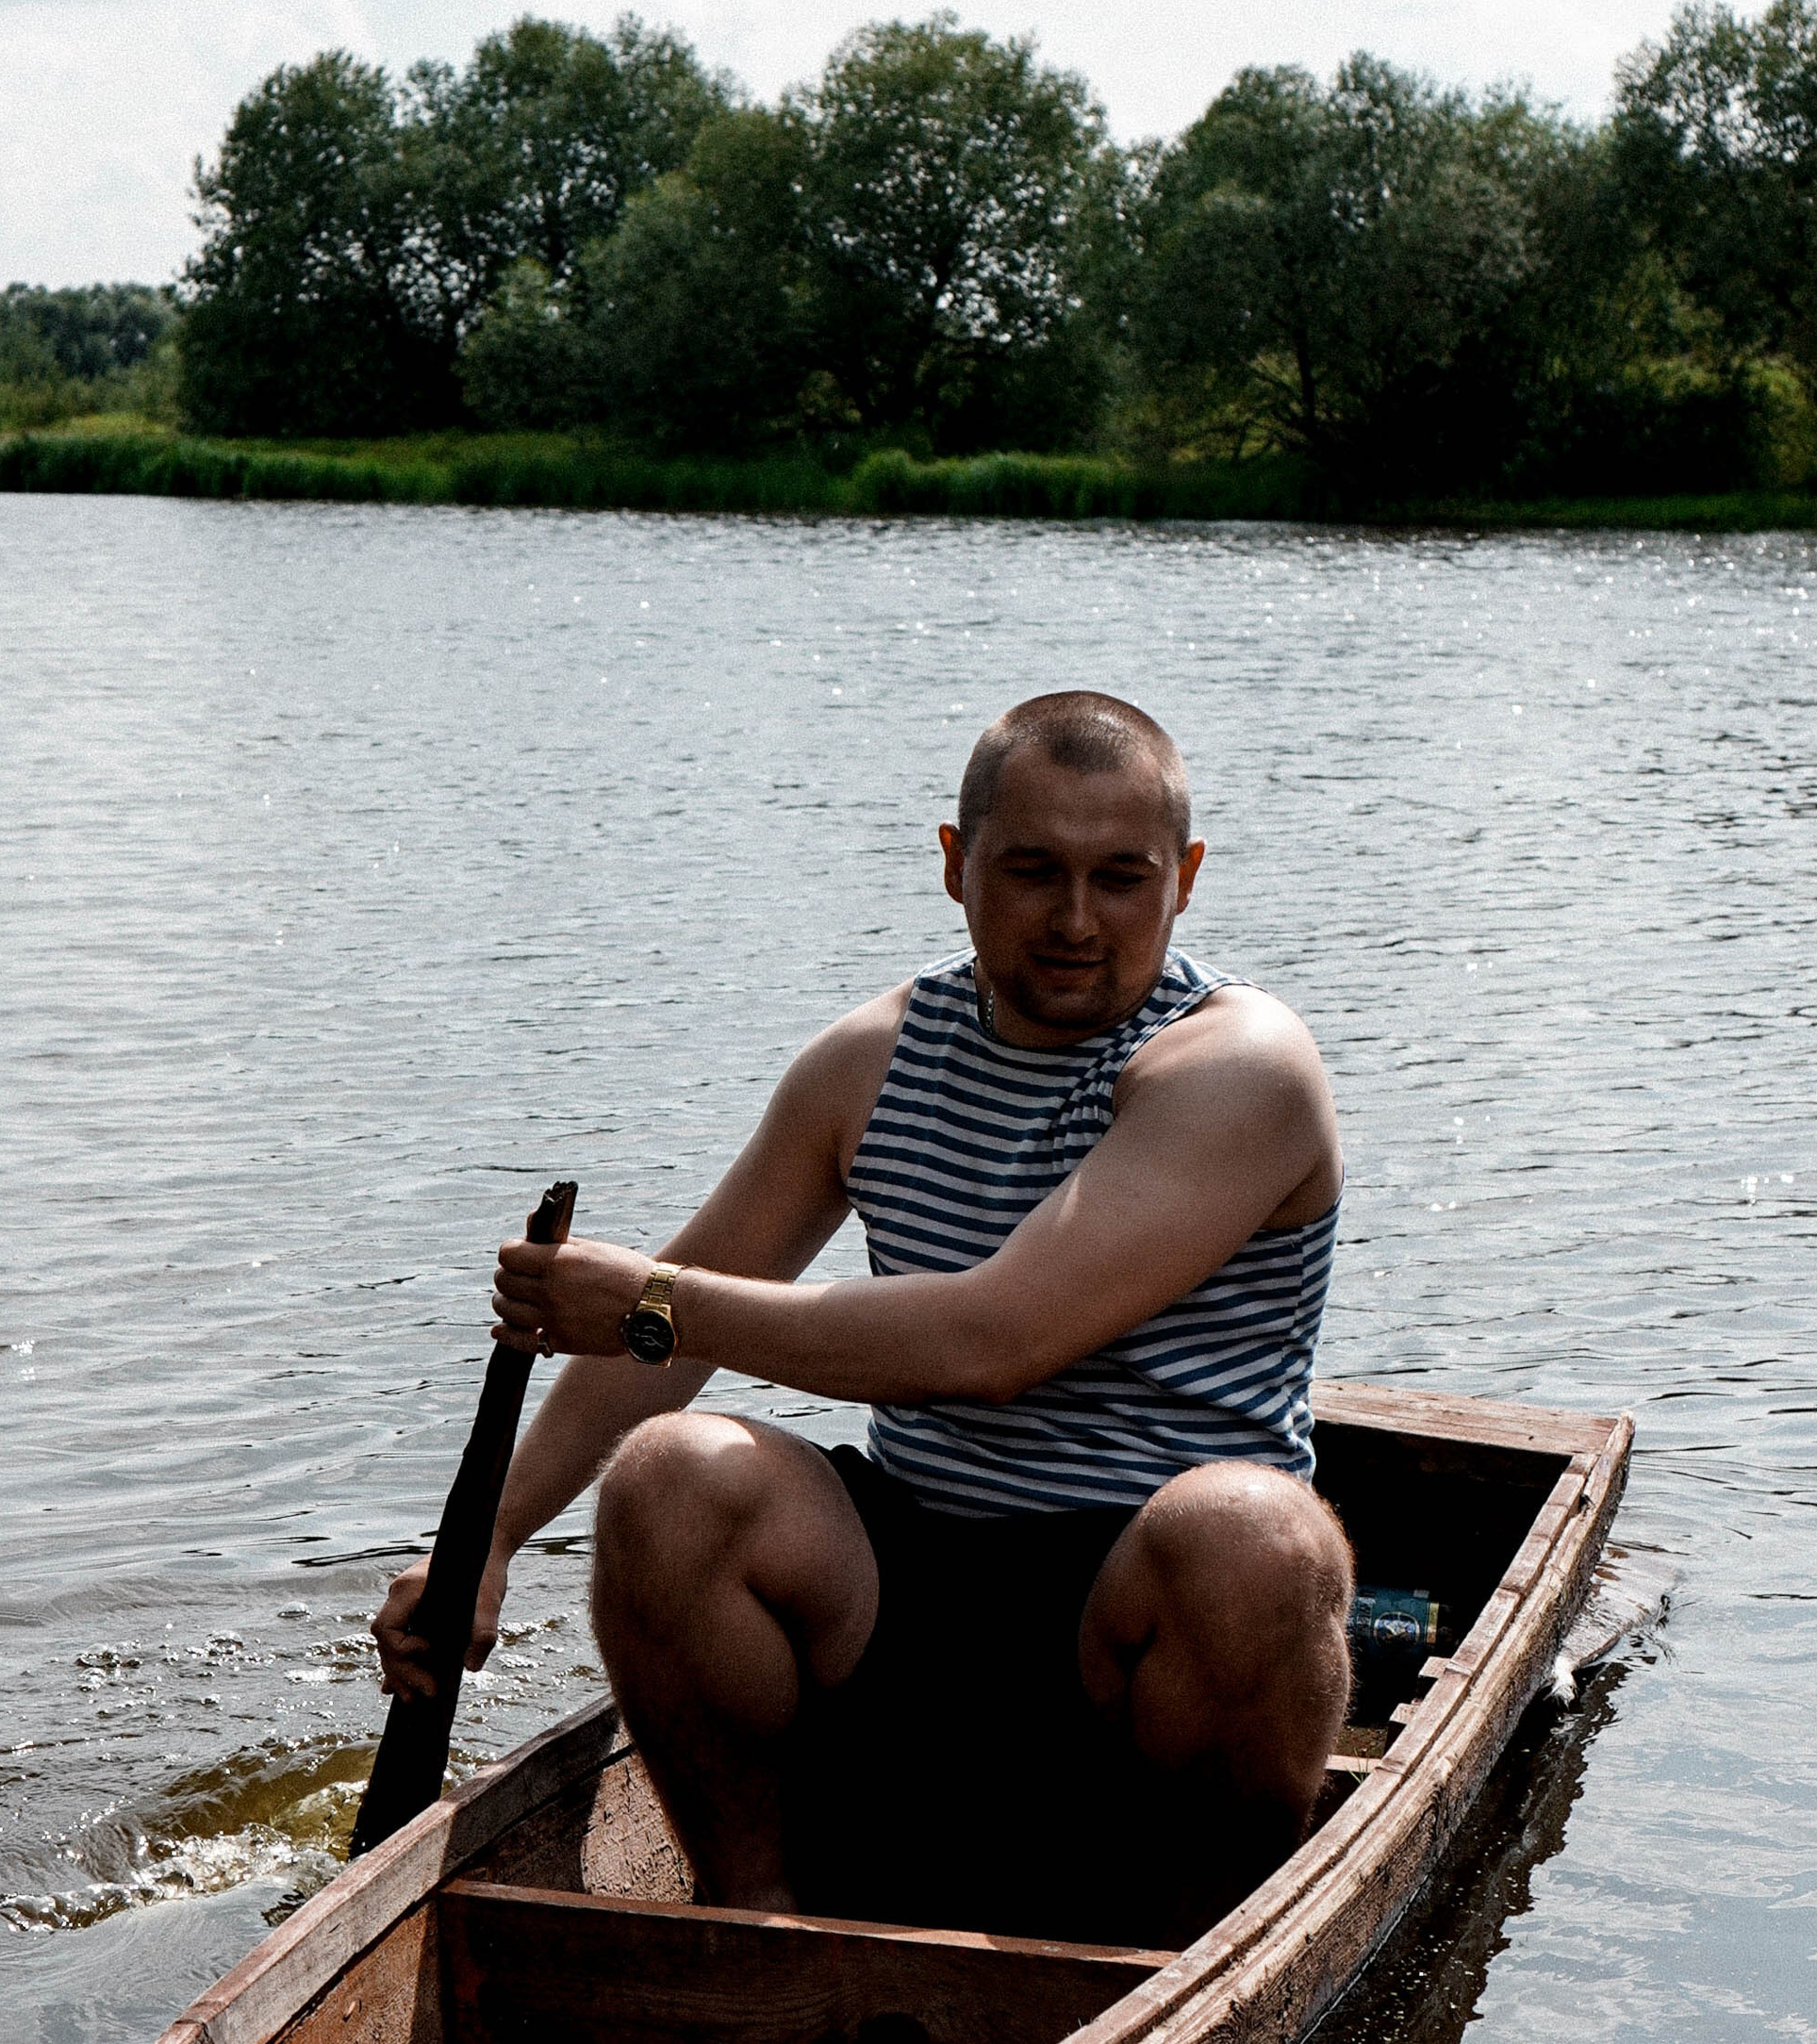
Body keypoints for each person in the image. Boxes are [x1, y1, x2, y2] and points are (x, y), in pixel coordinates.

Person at [374, 689, 1350, 1944]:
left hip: (1151, 1619)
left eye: (1121, 879)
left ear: (1187, 879)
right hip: (915, 1592)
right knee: (669, 1479)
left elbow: (994, 1344)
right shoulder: (872, 1062)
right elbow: (671, 1330)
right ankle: (763, 1933)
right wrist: (490, 1543)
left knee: (1257, 1538)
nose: (1073, 922)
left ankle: (1174, 1964)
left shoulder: (1242, 1067)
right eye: (1030, 871)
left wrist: (652, 1309)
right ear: (954, 866)